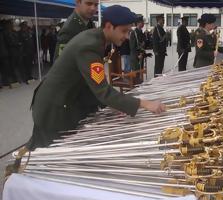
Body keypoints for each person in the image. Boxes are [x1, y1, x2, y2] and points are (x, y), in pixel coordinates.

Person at [21, 5, 165, 153]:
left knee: (36, 148)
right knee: (43, 156)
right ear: (109, 26)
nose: (127, 36)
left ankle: (18, 163)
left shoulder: (96, 39)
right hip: (53, 110)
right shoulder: (89, 46)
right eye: (124, 31)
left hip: (59, 103)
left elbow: (93, 83)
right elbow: (103, 91)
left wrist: (114, 104)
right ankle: (15, 169)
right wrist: (145, 104)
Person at [129, 15, 151, 84]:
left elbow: (144, 45)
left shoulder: (141, 32)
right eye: (142, 22)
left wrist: (146, 54)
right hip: (135, 57)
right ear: (138, 23)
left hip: (141, 56)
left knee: (140, 74)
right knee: (136, 75)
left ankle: (139, 86)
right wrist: (137, 55)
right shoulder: (133, 33)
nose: (143, 23)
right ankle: (135, 89)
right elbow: (132, 47)